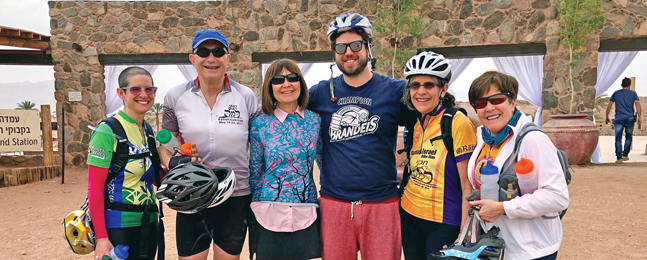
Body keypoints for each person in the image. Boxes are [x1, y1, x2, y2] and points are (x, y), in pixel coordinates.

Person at [308, 13, 417, 260]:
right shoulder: (319, 93)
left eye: (355, 45)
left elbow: (430, 113)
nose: (348, 52)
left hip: (382, 204)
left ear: (368, 47)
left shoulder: (395, 91)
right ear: (334, 53)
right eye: (340, 47)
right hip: (334, 203)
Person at [159, 29, 262, 260]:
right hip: (192, 192)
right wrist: (171, 162)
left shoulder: (246, 97)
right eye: (203, 52)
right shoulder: (175, 97)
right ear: (192, 59)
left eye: (218, 52)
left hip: (235, 194)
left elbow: (260, 147)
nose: (211, 58)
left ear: (228, 58)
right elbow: (164, 143)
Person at [466, 71, 570, 260]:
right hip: (495, 246)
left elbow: (557, 197)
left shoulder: (532, 140)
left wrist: (504, 208)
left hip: (530, 251)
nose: (488, 108)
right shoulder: (483, 139)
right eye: (480, 103)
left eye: (496, 100)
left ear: (512, 101)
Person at [399, 52, 476, 259]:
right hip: (408, 216)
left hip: (443, 223)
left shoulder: (457, 122)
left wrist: (465, 232)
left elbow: (467, 185)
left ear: (443, 89)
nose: (421, 91)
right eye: (415, 85)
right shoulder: (416, 122)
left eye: (429, 85)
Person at [248, 58, 322, 260]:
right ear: (270, 88)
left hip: (306, 212)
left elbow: (323, 163)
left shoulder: (315, 121)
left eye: (292, 77)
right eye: (278, 79)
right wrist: (256, 206)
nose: (286, 84)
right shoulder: (260, 124)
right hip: (268, 213)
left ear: (301, 83)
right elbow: (255, 169)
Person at [87, 66, 161, 260]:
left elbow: (153, 177)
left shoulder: (148, 130)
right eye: (135, 89)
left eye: (149, 89)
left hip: (149, 221)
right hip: (118, 226)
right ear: (121, 93)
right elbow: (95, 189)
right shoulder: (106, 131)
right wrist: (101, 238)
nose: (144, 95)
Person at [605, 77, 641, 163]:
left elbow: (609, 105)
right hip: (630, 118)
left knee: (618, 138)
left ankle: (619, 158)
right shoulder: (633, 93)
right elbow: (637, 104)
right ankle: (625, 155)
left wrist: (607, 116)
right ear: (630, 85)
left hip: (619, 119)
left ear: (621, 85)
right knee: (629, 137)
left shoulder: (616, 93)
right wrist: (639, 117)